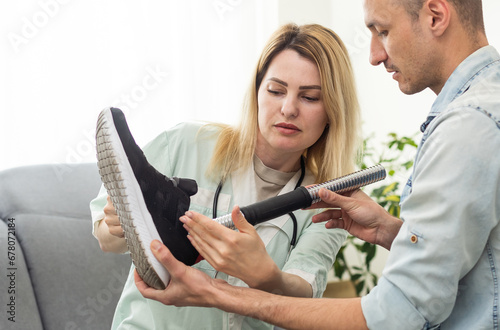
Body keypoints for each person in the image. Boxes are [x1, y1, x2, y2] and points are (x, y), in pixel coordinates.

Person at [134, 0, 500, 329]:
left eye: (383, 31)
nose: (374, 55)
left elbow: (398, 313)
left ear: (436, 16)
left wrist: (213, 291)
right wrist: (393, 231)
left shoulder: (468, 125)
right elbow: (477, 255)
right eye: (276, 90)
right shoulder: (484, 107)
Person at [90, 23, 362, 329]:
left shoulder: (329, 199)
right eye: (275, 90)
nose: (288, 109)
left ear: (334, 110)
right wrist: (117, 225)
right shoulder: (183, 143)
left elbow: (304, 293)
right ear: (257, 92)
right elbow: (105, 240)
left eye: (310, 97)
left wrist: (267, 276)